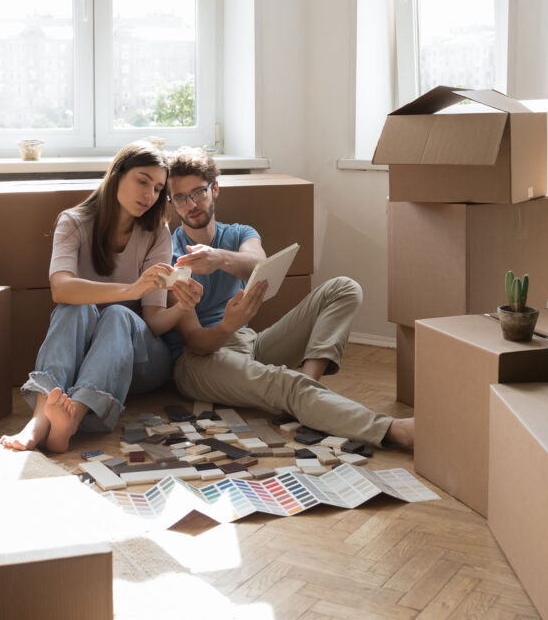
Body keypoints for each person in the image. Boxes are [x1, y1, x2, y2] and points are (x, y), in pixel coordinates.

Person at [163, 147, 415, 449]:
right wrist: (228, 326)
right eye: (180, 197)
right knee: (284, 382)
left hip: (249, 342)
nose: (191, 204)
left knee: (344, 288)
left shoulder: (240, 233)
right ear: (172, 203)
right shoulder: (170, 254)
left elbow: (259, 265)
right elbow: (194, 341)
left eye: (198, 193)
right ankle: (391, 430)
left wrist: (218, 259)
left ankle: (309, 388)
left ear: (214, 189)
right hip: (200, 361)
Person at [2, 141, 203, 453]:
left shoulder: (157, 234)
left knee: (119, 315)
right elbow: (60, 288)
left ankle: (71, 419)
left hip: (141, 361)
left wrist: (182, 309)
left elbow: (154, 323)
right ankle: (40, 421)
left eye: (157, 189)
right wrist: (131, 290)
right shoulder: (73, 222)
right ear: (117, 175)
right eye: (142, 182)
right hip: (86, 357)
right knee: (74, 307)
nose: (149, 196)